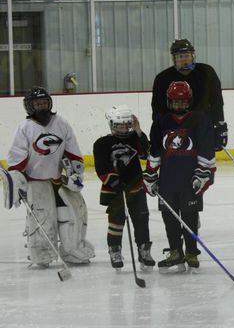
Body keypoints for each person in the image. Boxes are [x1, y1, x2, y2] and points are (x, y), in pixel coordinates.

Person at [5, 86, 95, 267]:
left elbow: (73, 154)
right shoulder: (25, 128)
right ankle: (42, 252)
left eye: (44, 102)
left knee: (74, 213)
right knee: (42, 218)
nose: (42, 107)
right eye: (37, 104)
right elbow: (16, 159)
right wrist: (17, 179)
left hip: (57, 180)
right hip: (35, 182)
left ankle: (72, 249)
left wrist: (74, 175)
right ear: (30, 106)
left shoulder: (61, 123)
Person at [143, 81, 216, 273]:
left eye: (183, 102)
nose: (179, 106)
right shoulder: (161, 121)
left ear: (189, 102)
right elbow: (156, 150)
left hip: (190, 179)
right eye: (175, 102)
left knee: (190, 217)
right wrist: (150, 174)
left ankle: (191, 252)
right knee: (170, 218)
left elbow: (206, 148)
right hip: (167, 180)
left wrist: (202, 173)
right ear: (169, 102)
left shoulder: (200, 119)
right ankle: (175, 252)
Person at [93, 105, 154, 271]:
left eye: (127, 125)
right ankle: (115, 250)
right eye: (119, 125)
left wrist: (139, 132)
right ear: (112, 124)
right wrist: (114, 182)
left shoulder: (135, 138)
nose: (123, 129)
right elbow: (101, 167)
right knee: (116, 221)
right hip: (114, 190)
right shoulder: (102, 143)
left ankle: (144, 250)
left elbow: (146, 154)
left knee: (142, 219)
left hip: (135, 186)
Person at [151, 39, 228, 152]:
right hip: (175, 130)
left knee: (204, 165)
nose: (185, 60)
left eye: (187, 55)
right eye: (180, 57)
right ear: (174, 59)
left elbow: (217, 102)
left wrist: (220, 125)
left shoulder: (207, 72)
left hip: (202, 128)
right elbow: (158, 110)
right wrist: (158, 132)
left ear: (193, 56)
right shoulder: (162, 79)